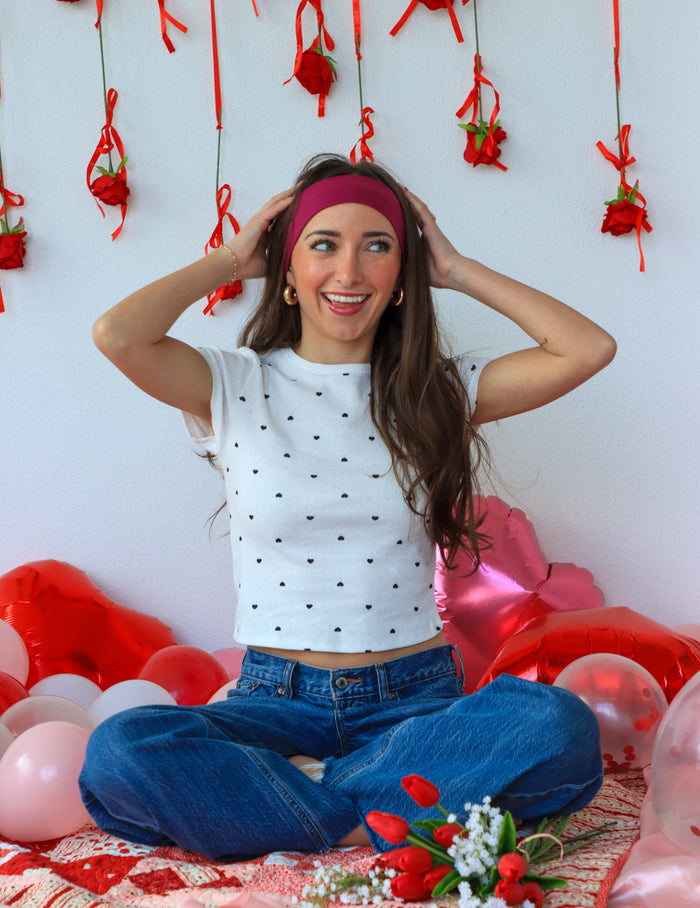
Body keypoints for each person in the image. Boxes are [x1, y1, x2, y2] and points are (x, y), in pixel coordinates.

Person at [80, 153, 616, 862]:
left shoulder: (437, 392)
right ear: (289, 271)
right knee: (121, 750)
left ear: (402, 278)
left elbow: (587, 348)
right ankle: (377, 811)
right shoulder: (232, 384)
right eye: (323, 244)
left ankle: (305, 804)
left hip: (414, 701)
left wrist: (453, 268)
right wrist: (230, 259)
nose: (349, 271)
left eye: (378, 247)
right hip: (275, 699)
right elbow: (118, 334)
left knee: (559, 727)